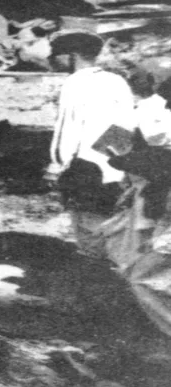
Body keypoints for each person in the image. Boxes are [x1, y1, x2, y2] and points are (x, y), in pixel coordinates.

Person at [48, 31, 137, 257]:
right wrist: (113, 159)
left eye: (55, 54)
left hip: (84, 163)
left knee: (87, 222)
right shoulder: (116, 80)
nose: (51, 59)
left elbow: (68, 128)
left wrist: (60, 163)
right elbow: (127, 123)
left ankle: (95, 269)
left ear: (72, 56)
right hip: (115, 160)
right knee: (114, 220)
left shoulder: (74, 83)